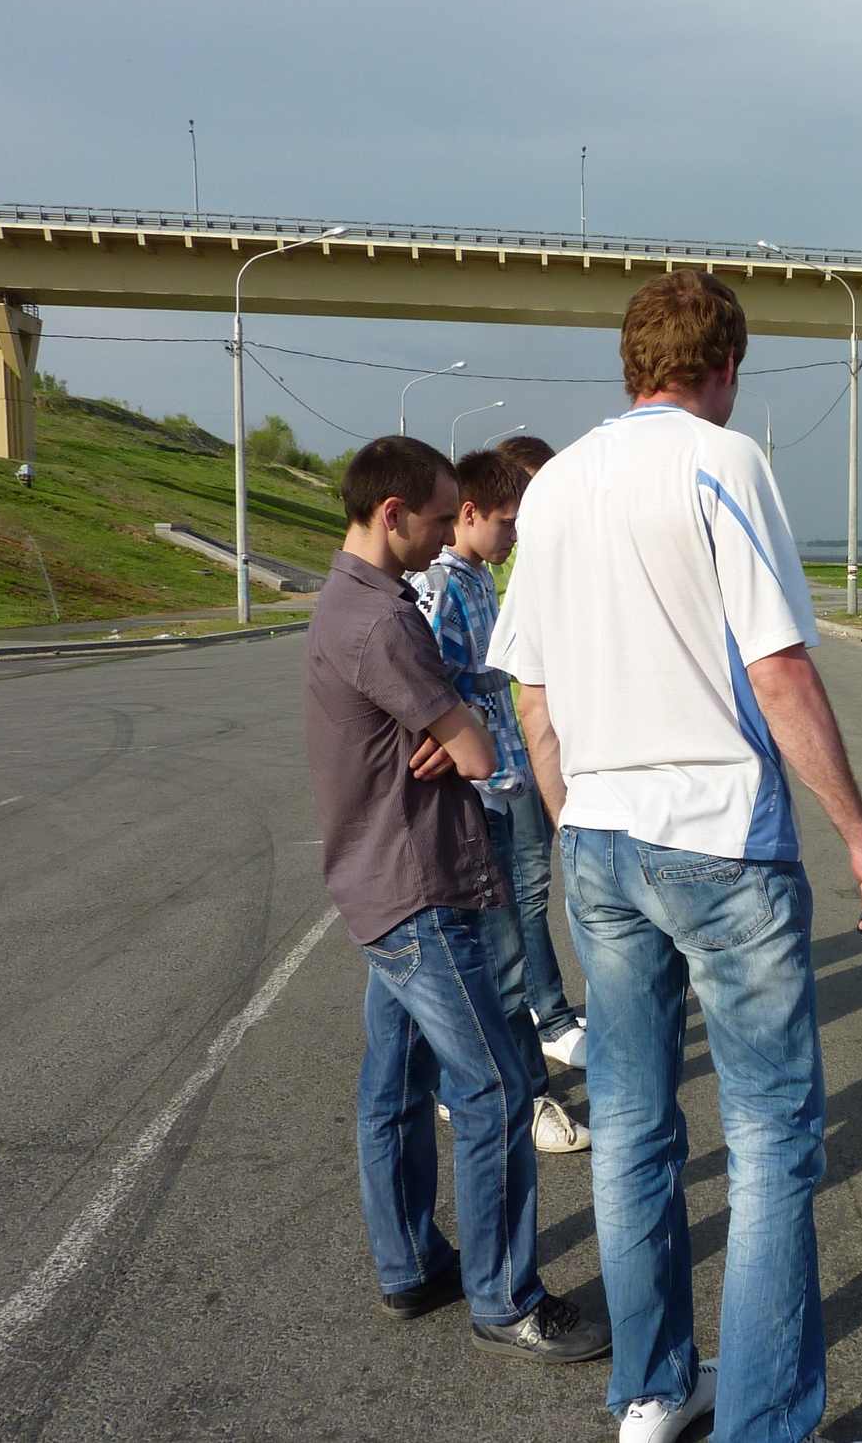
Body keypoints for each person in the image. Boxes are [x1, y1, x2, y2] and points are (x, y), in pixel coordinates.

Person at [491, 270, 862, 1443]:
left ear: (632, 365)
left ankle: (651, 1389)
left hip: (600, 839)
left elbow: (531, 693)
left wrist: (578, 817)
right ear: (723, 366)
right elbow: (778, 672)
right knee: (771, 1141)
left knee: (629, 1129)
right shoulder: (723, 462)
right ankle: (762, 1422)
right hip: (718, 835)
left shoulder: (554, 485)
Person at [301, 434, 610, 1363]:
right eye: (438, 520)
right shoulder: (383, 622)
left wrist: (452, 718)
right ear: (392, 513)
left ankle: (410, 1266)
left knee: (395, 1086)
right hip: (420, 888)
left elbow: (451, 728)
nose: (447, 536)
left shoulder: (351, 602)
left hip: (377, 883)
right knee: (499, 1086)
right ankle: (507, 1300)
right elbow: (476, 751)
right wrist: (463, 720)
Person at [412, 446, 588, 1155]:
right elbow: (425, 681)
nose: (514, 535)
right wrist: (454, 746)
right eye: (507, 522)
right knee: (498, 949)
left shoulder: (482, 576)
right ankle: (508, 1092)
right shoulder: (442, 584)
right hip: (479, 792)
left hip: (507, 774)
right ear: (469, 512)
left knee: (512, 934)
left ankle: (504, 1080)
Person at [491, 433, 588, 1072]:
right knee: (529, 886)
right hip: (515, 743)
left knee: (538, 882)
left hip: (544, 735)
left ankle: (546, 1007)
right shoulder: (498, 560)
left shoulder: (532, 549)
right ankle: (547, 1016)